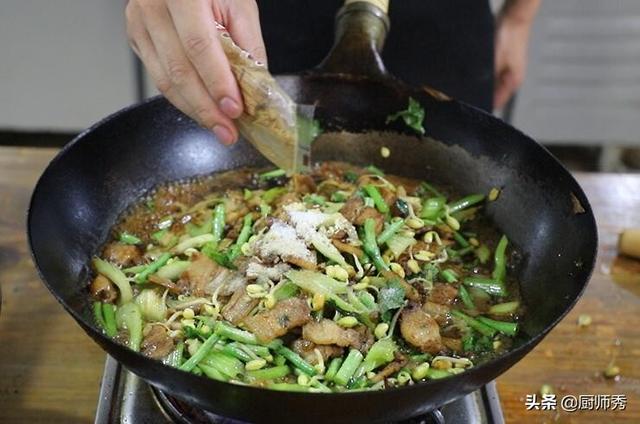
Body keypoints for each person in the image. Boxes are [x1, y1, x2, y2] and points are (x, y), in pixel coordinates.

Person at [125, 0, 540, 145]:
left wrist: (520, 15)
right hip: (263, 16)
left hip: (441, 22)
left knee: (457, 159)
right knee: (257, 140)